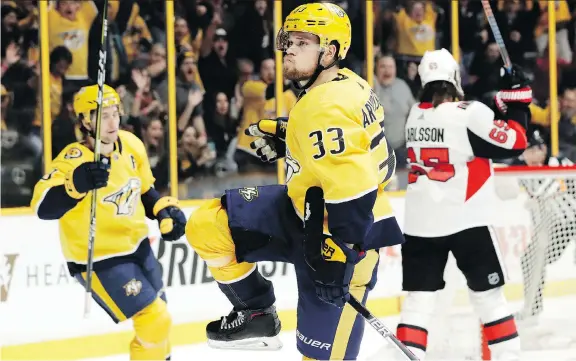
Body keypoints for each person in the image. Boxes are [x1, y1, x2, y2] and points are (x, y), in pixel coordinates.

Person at [184, 3, 404, 360]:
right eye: (289, 41)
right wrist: (294, 137)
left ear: (329, 51)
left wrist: (340, 258)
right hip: (303, 210)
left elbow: (357, 190)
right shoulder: (348, 82)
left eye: (303, 42)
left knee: (318, 357)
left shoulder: (324, 107)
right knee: (209, 225)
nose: (290, 49)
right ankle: (256, 313)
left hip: (345, 238)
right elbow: (380, 159)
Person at [30, 84, 186, 361]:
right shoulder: (73, 159)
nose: (113, 122)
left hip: (138, 247)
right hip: (100, 258)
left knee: (159, 320)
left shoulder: (131, 144)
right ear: (85, 121)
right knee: (155, 319)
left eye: (116, 113)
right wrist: (75, 184)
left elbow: (145, 190)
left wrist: (163, 211)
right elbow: (43, 207)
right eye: (104, 115)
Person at [398, 49, 532, 360]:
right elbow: (515, 142)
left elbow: (467, 124)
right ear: (456, 77)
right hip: (467, 219)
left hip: (421, 223)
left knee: (419, 302)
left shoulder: (414, 114)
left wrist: (502, 98)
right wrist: (519, 103)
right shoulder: (469, 112)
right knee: (490, 299)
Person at [508, 130, 575, 322]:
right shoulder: (523, 170)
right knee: (529, 258)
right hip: (555, 227)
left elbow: (543, 190)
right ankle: (532, 308)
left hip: (573, 219)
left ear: (543, 148)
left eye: (531, 150)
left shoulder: (560, 163)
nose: (527, 155)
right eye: (525, 152)